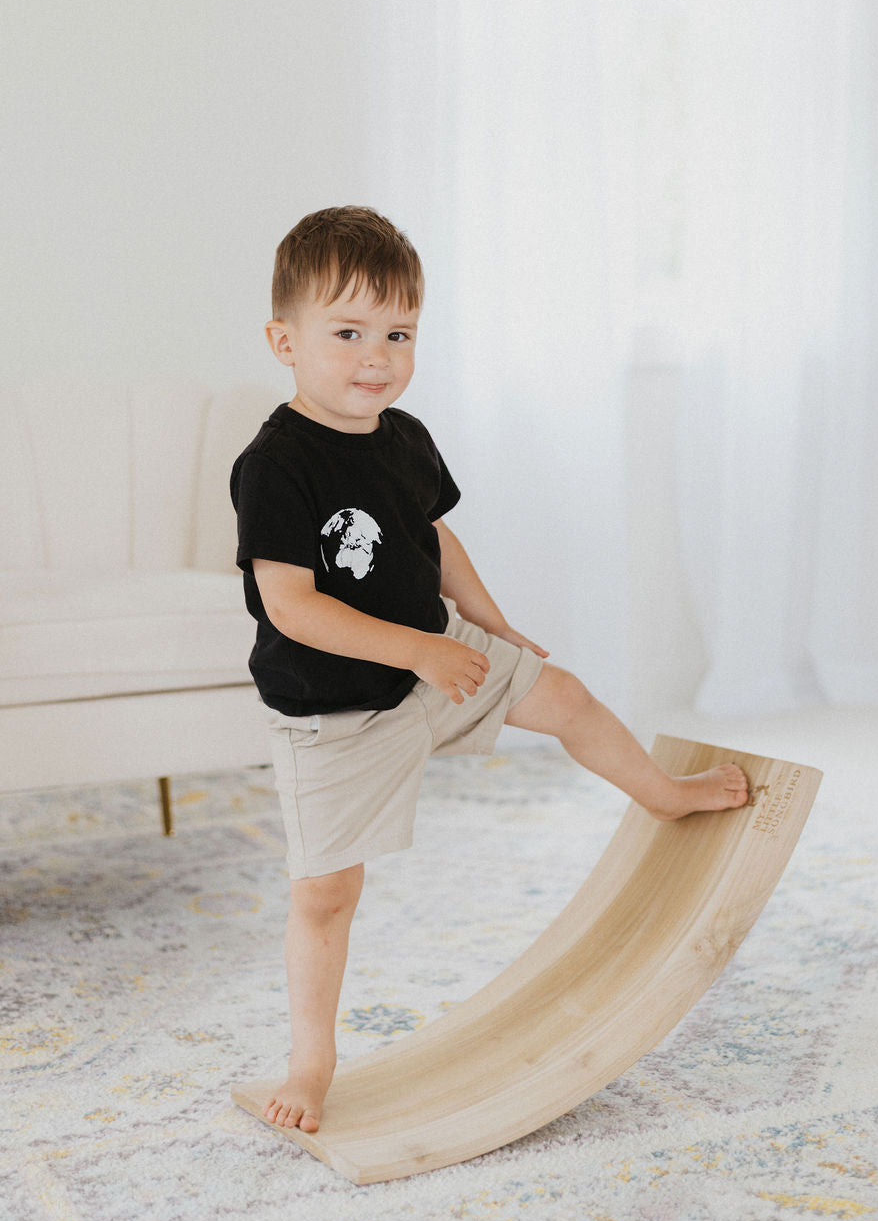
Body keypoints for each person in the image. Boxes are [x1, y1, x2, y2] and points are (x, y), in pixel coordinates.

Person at [230, 205, 749, 1135]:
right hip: (336, 709)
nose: (375, 356)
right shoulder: (275, 463)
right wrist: (421, 646)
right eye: (347, 333)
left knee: (572, 699)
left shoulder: (405, 435)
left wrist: (487, 623)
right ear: (285, 340)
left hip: (441, 664)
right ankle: (312, 1060)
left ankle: (661, 793)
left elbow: (433, 532)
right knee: (325, 896)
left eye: (398, 333)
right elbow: (291, 604)